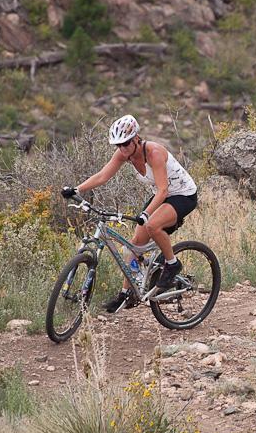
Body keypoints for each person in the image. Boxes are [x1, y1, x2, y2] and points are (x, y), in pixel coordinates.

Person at [65, 114, 198, 313]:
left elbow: (163, 190)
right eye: (118, 145)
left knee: (152, 225)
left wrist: (146, 214)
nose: (122, 148)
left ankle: (172, 264)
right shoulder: (123, 154)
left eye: (126, 143)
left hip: (182, 195)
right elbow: (103, 175)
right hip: (161, 197)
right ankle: (125, 295)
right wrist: (76, 189)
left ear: (136, 138)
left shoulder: (154, 153)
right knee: (135, 244)